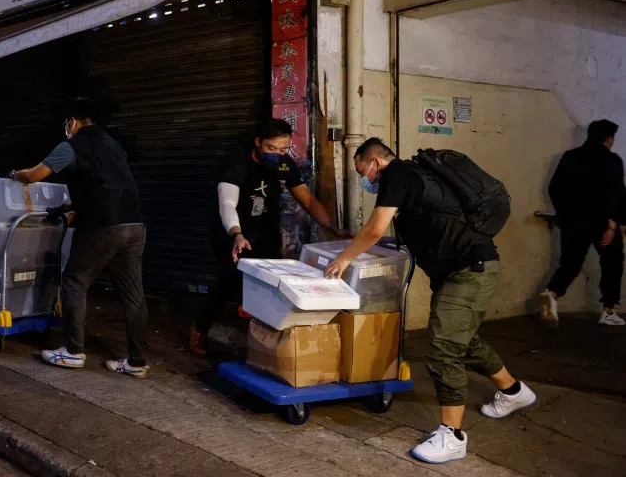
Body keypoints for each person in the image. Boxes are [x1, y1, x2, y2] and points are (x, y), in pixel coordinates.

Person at [324, 138, 535, 465]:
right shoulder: (415, 177)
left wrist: (344, 259)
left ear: (375, 163)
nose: (363, 178)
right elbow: (422, 226)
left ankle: (452, 436)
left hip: (470, 270)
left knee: (442, 345)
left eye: (361, 170)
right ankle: (513, 392)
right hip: (463, 270)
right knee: (463, 341)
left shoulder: (396, 175)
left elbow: (374, 229)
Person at [9, 97, 150, 378]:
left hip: (102, 227)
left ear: (73, 121)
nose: (66, 127)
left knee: (74, 280)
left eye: (66, 122)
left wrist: (14, 175)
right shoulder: (112, 145)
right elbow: (107, 185)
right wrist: (70, 206)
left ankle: (73, 351)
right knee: (133, 294)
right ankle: (137, 362)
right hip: (134, 226)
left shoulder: (70, 146)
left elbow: (35, 175)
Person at [190, 118, 346, 356]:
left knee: (269, 285)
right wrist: (237, 234)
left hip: (265, 232)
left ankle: (262, 342)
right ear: (258, 142)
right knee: (229, 282)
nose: (277, 154)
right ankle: (200, 328)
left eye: (283, 149)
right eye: (271, 148)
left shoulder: (285, 165)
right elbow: (227, 203)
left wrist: (333, 228)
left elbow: (308, 201)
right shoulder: (237, 162)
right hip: (232, 233)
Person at [540, 119, 625, 327]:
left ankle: (552, 293)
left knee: (570, 263)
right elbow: (616, 195)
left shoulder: (570, 157)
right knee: (612, 263)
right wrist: (612, 226)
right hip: (602, 223)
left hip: (572, 223)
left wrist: (565, 215)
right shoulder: (611, 160)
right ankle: (608, 311)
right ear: (608, 138)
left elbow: (554, 188)